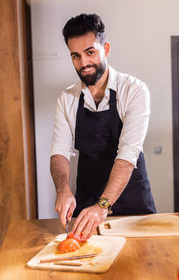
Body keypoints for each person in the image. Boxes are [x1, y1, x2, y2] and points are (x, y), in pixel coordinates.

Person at [50, 13, 156, 241]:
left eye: (90, 52)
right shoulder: (67, 98)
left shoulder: (134, 91)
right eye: (75, 56)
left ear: (106, 49)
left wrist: (103, 205)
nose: (83, 63)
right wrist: (62, 189)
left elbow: (128, 155)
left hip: (132, 200)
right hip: (88, 201)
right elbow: (59, 152)